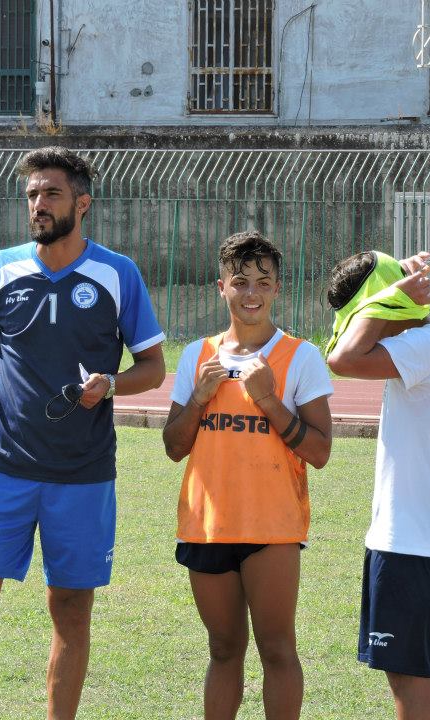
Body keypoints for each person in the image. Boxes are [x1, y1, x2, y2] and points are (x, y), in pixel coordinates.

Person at [0, 146, 166, 720]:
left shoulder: (118, 273)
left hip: (82, 474)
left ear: (82, 203)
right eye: (33, 195)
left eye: (51, 194)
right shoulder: (2, 268)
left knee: (69, 608)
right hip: (1, 466)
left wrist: (110, 384)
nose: (38, 205)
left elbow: (153, 368)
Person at [162, 231, 333, 720]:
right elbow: (175, 447)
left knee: (277, 650)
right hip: (208, 526)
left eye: (263, 281)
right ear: (222, 287)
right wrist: (198, 397)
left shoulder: (300, 356)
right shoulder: (197, 355)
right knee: (222, 651)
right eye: (240, 282)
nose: (251, 293)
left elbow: (319, 452)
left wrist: (268, 400)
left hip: (271, 529)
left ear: (278, 288)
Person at [325, 250, 430, 720]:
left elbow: (342, 359)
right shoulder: (426, 340)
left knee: (409, 674)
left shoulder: (424, 345)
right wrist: (390, 294)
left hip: (416, 540)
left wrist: (386, 296)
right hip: (411, 536)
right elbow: (347, 348)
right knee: (414, 670)